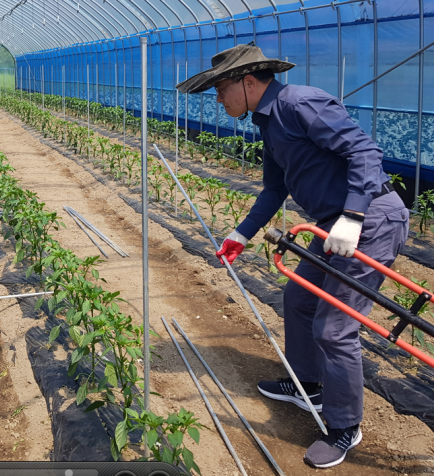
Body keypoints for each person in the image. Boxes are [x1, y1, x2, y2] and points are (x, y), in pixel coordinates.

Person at [177, 43, 409, 469]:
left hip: (369, 219)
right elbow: (273, 188)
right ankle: (310, 384)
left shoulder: (299, 103)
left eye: (221, 89)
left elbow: (365, 153)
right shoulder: (268, 122)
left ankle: (344, 427)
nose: (218, 98)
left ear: (248, 82)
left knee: (335, 327)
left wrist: (354, 216)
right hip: (331, 222)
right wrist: (240, 235)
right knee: (298, 299)